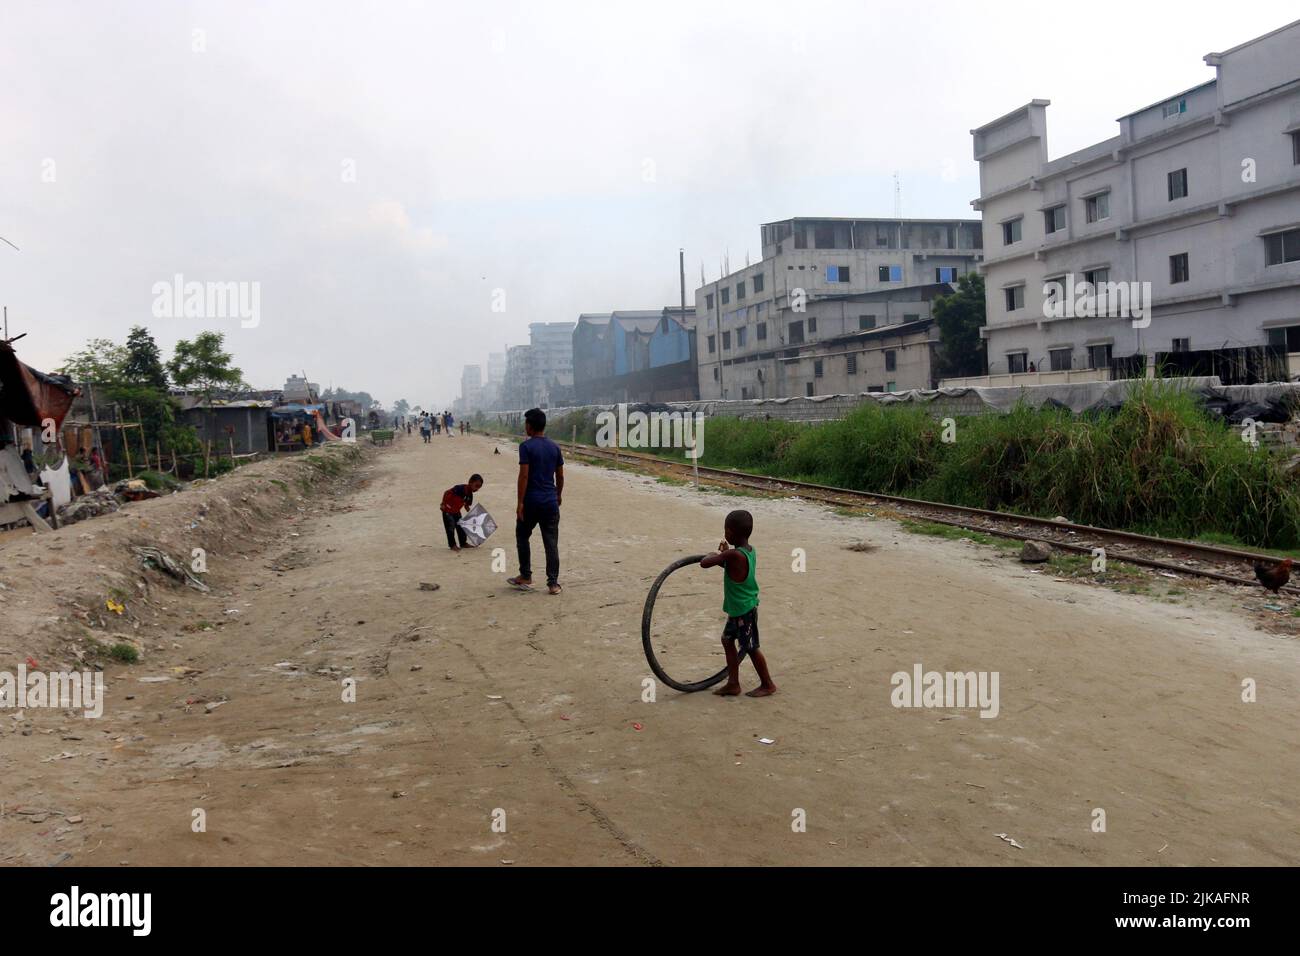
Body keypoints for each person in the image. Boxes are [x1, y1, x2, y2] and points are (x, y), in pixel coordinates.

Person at [700, 509, 776, 698]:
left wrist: (715, 553)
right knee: (727, 640)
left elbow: (705, 563)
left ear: (731, 532)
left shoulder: (733, 555)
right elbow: (731, 566)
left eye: (726, 530)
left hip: (744, 611)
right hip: (739, 610)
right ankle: (733, 683)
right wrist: (724, 556)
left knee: (750, 647)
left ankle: (768, 684)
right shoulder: (749, 551)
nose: (725, 534)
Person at [507, 407, 563, 594]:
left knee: (522, 536)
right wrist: (558, 494)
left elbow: (524, 476)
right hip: (550, 502)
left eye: (526, 424)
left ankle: (526, 575)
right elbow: (560, 476)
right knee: (551, 542)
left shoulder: (526, 447)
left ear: (530, 426)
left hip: (531, 501)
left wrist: (520, 503)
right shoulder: (555, 447)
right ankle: (553, 584)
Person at [440, 474, 484, 552]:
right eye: (476, 486)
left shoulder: (470, 494)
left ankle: (463, 543)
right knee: (450, 528)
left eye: (479, 487)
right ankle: (452, 545)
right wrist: (443, 503)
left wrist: (467, 507)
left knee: (461, 527)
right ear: (470, 482)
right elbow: (447, 493)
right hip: (448, 510)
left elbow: (467, 502)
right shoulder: (460, 488)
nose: (477, 489)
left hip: (456, 511)